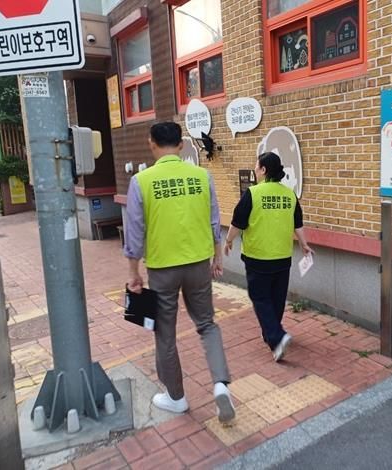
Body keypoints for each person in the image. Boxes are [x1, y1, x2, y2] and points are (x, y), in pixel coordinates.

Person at [123, 122, 235, 423]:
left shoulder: (141, 181)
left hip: (162, 268)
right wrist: (216, 256)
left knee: (165, 333)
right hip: (198, 263)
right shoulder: (202, 176)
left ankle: (176, 397)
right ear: (181, 145)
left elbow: (134, 233)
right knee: (207, 324)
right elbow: (214, 219)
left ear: (151, 143)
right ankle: (221, 385)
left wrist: (134, 272)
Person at [224, 152, 313, 361]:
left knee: (260, 298)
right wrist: (304, 244)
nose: (255, 170)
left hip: (258, 257)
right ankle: (272, 336)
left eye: (256, 167)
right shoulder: (289, 194)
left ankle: (277, 336)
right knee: (277, 298)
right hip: (282, 256)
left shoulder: (253, 193)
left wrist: (228, 240)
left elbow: (238, 222)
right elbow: (297, 223)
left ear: (264, 170)